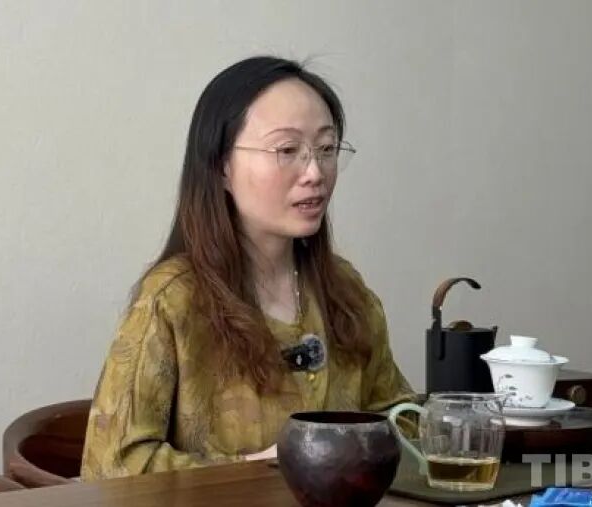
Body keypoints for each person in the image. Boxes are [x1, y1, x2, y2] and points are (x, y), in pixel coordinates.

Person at [80, 56, 414, 480]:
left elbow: (398, 418)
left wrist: (455, 421)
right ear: (221, 166)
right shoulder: (172, 299)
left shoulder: (345, 290)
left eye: (327, 149)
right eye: (287, 150)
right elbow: (112, 468)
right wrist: (254, 470)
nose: (315, 172)